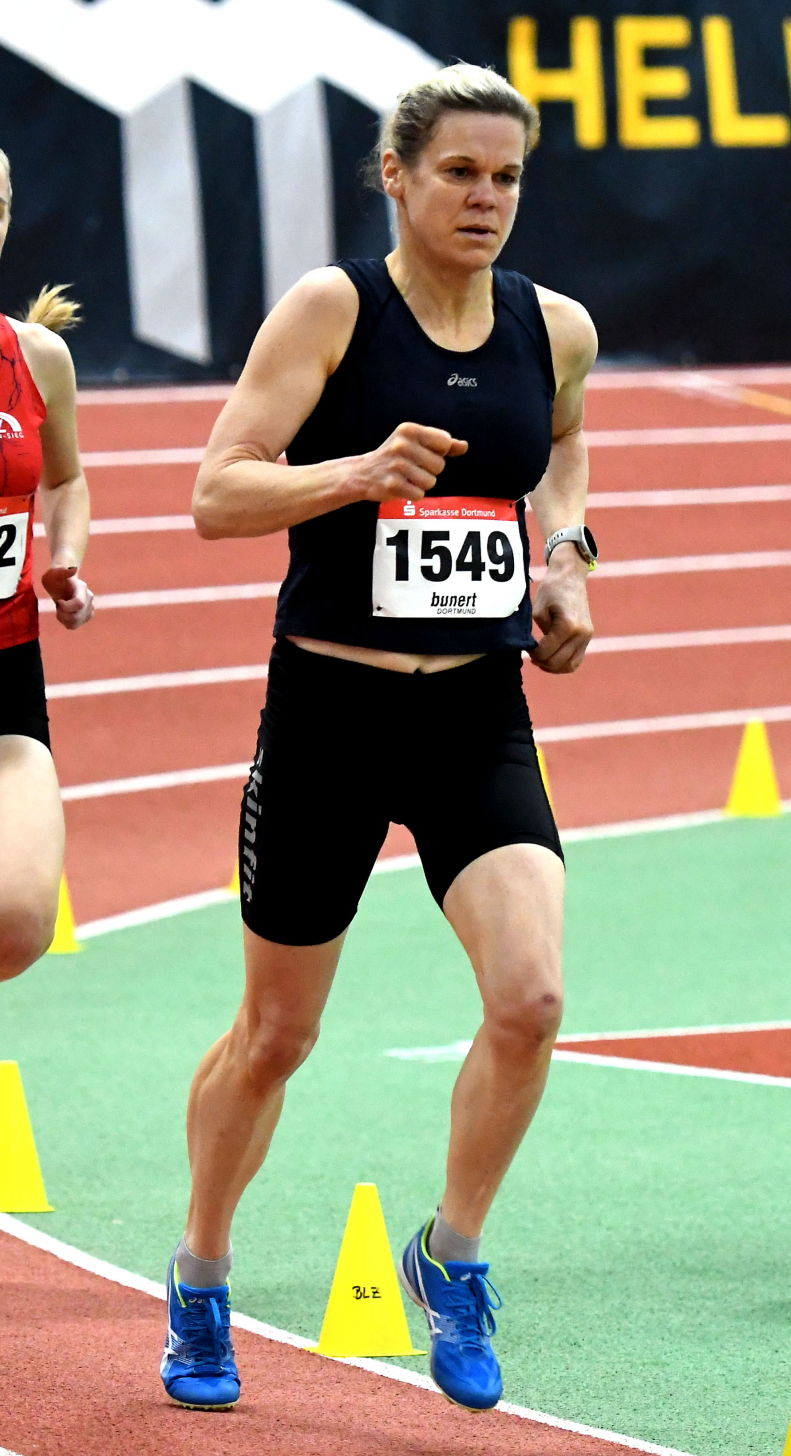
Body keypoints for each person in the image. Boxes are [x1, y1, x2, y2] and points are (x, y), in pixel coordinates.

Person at [162, 63, 598, 1413]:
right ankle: (201, 1271)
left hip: (473, 707)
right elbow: (215, 497)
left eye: (505, 175)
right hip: (330, 715)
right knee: (275, 1037)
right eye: (457, 171)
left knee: (529, 1000)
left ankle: (449, 1256)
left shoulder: (555, 328)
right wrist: (354, 473)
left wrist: (567, 560)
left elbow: (559, 453)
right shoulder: (333, 310)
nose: (483, 197)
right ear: (395, 177)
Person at [0, 147, 94, 984]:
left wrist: (64, 558)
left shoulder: (36, 358)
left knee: (20, 920)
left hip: (5, 669)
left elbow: (65, 479)